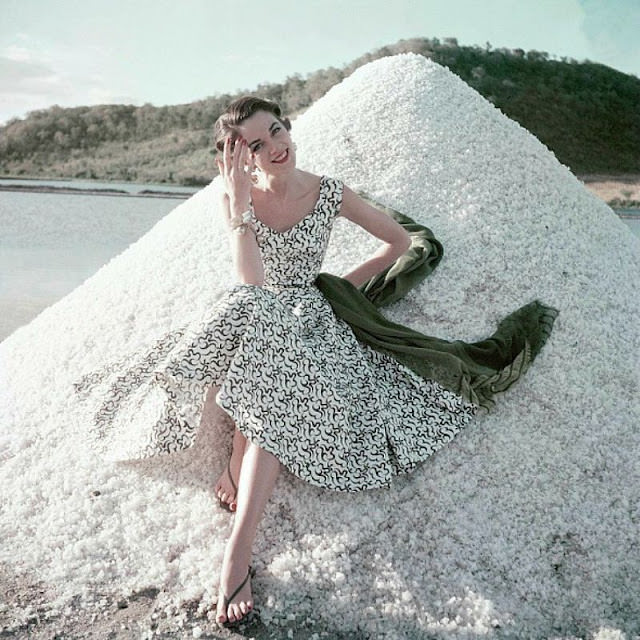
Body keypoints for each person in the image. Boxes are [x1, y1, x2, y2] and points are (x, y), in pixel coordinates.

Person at [75, 96, 556, 628]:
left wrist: (336, 292)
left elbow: (397, 242)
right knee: (257, 321)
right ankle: (238, 493)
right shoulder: (243, 197)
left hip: (308, 315)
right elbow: (252, 284)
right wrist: (238, 209)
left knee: (276, 367)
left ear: (289, 128)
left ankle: (238, 542)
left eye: (277, 130)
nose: (275, 146)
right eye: (257, 144)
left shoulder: (328, 191)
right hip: (254, 307)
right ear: (243, 157)